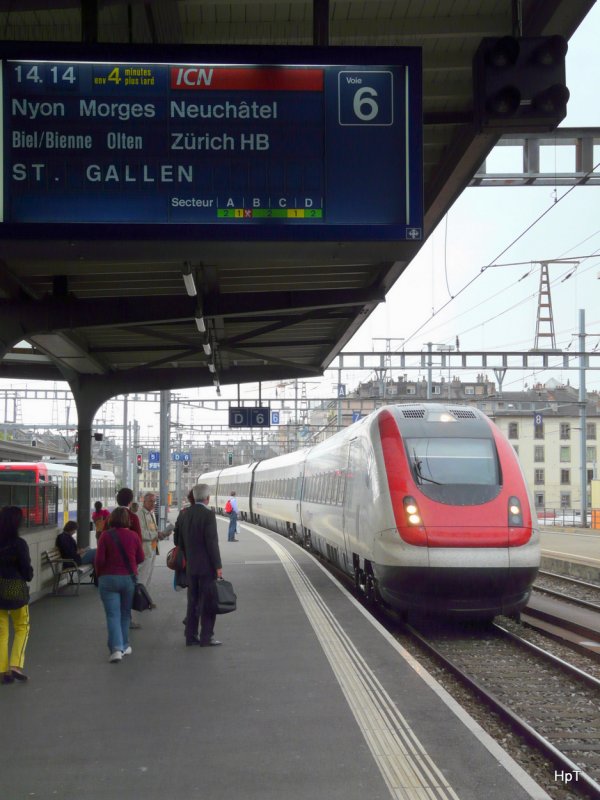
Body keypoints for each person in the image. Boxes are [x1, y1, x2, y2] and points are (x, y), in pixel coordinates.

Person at [174, 483, 223, 647]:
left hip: (190, 566)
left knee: (192, 601)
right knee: (208, 602)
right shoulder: (208, 515)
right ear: (208, 498)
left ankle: (190, 636)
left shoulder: (185, 514)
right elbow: (211, 542)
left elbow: (178, 541)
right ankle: (206, 637)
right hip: (206, 567)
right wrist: (218, 566)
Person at [95, 506, 144, 663]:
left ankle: (116, 649)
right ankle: (124, 645)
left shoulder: (105, 536)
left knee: (112, 615)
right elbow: (141, 557)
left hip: (108, 579)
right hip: (128, 579)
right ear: (127, 520)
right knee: (124, 614)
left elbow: (99, 560)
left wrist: (100, 574)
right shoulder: (134, 536)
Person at [0, 506, 33, 683]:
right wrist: (28, 576)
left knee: (1, 631)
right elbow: (26, 569)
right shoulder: (19, 543)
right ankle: (15, 665)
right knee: (22, 626)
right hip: (14, 587)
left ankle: (3, 669)